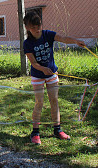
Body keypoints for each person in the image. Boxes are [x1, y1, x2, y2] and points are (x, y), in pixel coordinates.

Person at [23, 11, 86, 145]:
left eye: (38, 25)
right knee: (39, 102)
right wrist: (43, 69)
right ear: (27, 28)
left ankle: (57, 129)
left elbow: (63, 38)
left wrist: (75, 41)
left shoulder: (48, 34)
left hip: (51, 75)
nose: (37, 29)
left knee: (54, 101)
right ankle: (35, 132)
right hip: (38, 76)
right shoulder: (27, 43)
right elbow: (33, 63)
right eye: (33, 27)